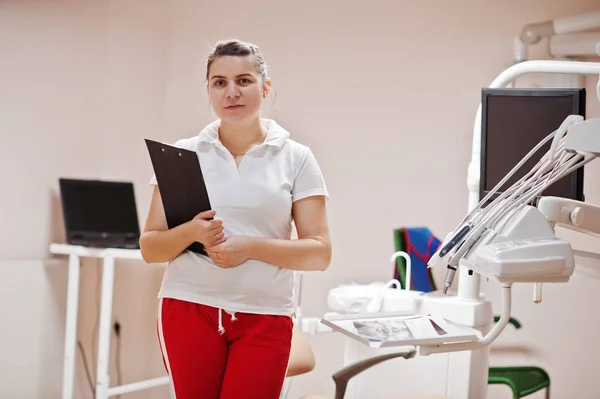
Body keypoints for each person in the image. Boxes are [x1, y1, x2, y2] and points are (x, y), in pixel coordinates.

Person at [140, 39, 332, 399]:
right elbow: (150, 248)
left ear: (265, 87)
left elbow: (319, 253)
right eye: (219, 82)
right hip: (188, 308)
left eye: (244, 80)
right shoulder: (183, 154)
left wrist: (250, 248)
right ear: (209, 90)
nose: (232, 92)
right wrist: (191, 232)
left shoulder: (297, 158)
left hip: (265, 315)